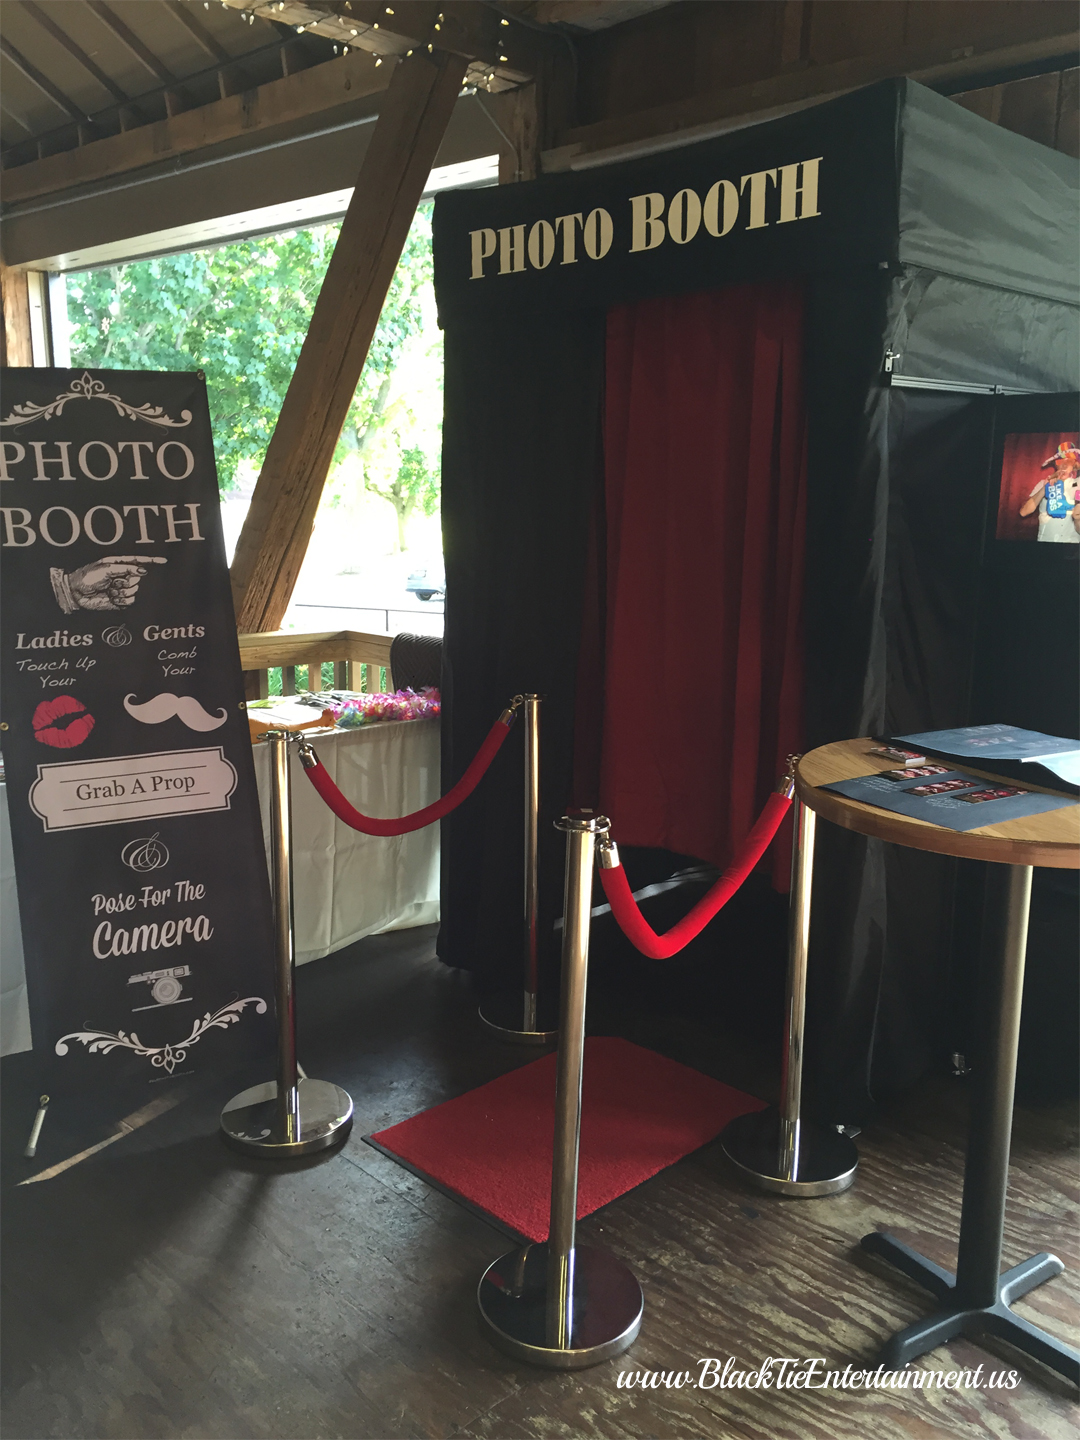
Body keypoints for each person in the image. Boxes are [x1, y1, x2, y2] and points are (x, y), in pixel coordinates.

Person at [1018, 440, 1080, 543]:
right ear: (1056, 464)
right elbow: (1024, 512)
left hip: (1071, 546)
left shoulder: (1078, 483)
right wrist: (1045, 488)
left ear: (1074, 465)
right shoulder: (1043, 483)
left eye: (1068, 461)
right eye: (1060, 461)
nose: (1064, 465)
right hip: (1046, 544)